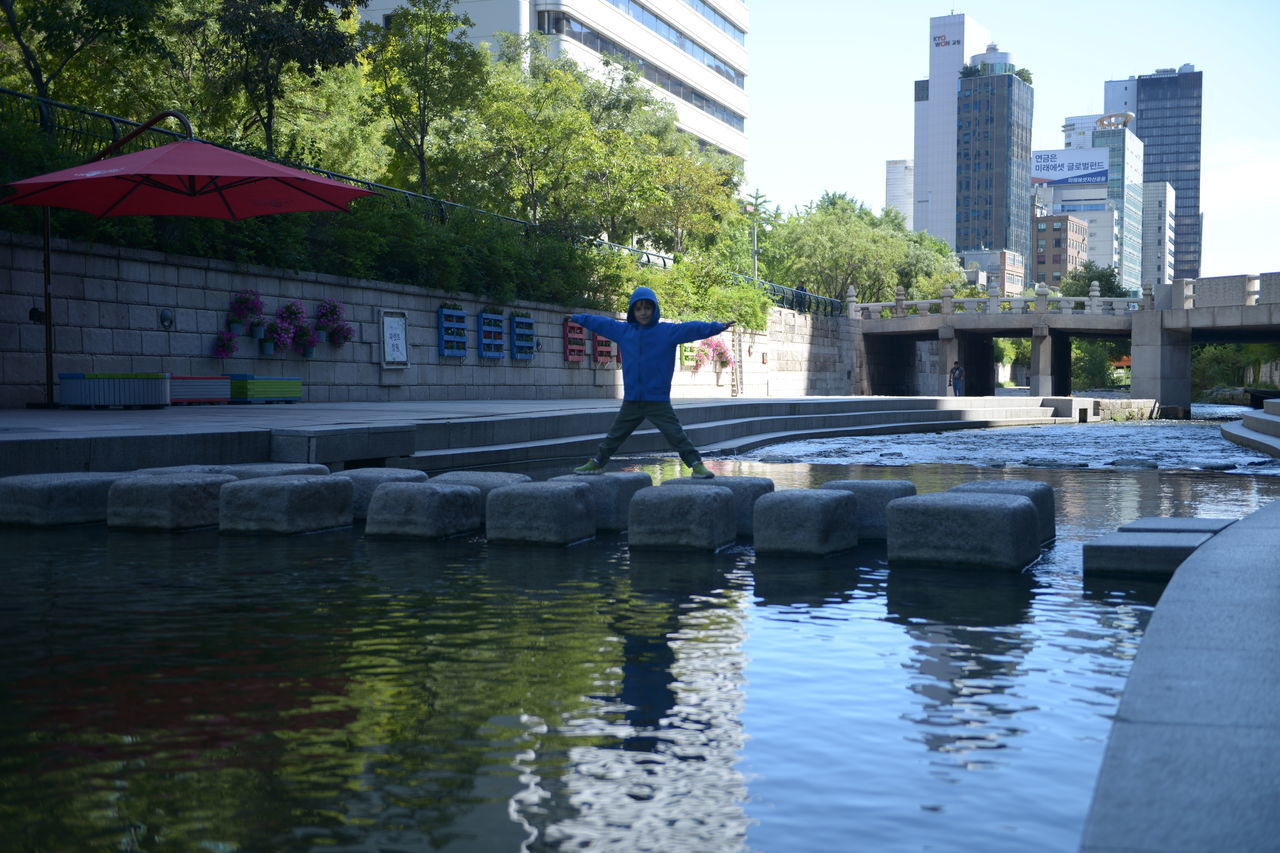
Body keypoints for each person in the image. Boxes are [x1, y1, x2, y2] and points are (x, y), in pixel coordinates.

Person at [570, 286, 734, 478]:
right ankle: (597, 463)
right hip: (633, 400)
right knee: (615, 435)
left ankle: (696, 465)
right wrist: (577, 318)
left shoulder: (666, 332)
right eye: (638, 309)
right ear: (632, 311)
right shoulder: (624, 331)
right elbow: (601, 323)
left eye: (647, 308)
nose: (643, 312)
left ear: (654, 309)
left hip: (657, 400)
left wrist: (716, 326)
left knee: (675, 435)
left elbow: (691, 328)